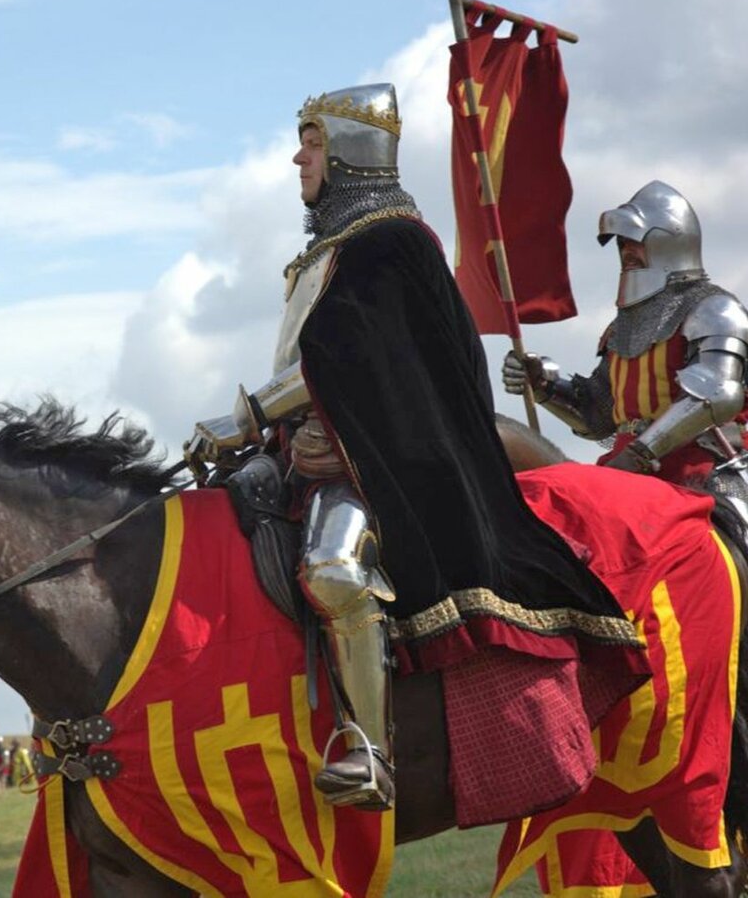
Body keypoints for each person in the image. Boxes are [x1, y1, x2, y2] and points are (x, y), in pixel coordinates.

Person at [186, 84, 645, 810]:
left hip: (389, 459)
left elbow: (349, 359)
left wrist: (243, 417)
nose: (298, 157)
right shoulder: (332, 251)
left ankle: (371, 752)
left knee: (333, 568)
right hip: (319, 445)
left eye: (311, 142)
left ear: (347, 152)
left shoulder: (390, 242)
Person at [502, 181, 748, 509]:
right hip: (622, 471)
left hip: (699, 469)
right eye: (623, 244)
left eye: (635, 242)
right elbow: (598, 415)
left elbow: (717, 395)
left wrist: (640, 454)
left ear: (667, 242)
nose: (626, 251)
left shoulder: (714, 310)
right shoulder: (622, 328)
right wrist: (544, 385)